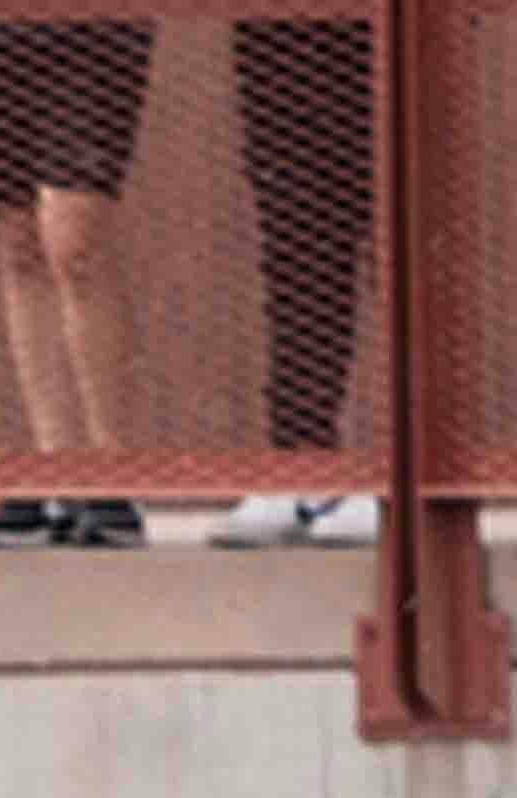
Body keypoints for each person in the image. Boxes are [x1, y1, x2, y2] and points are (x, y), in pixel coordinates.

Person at [0, 15, 155, 550]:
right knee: (20, 242)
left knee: (73, 236)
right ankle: (58, 470)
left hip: (91, 27)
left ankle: (112, 476)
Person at [209, 17, 378, 549]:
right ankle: (302, 462)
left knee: (398, 246)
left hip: (390, 38)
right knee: (297, 244)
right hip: (280, 38)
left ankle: (387, 467)